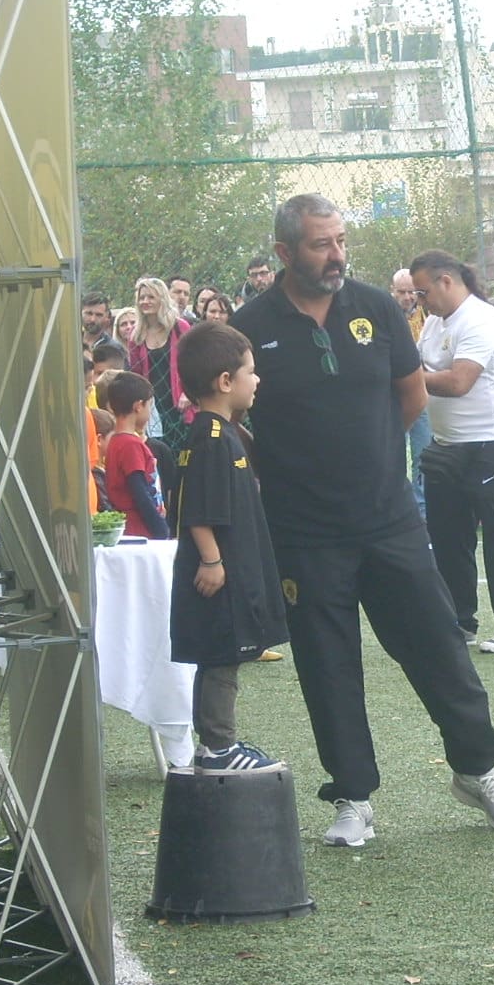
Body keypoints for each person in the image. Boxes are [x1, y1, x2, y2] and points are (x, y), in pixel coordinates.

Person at [231, 194, 494, 845]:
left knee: (438, 644)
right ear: (285, 252)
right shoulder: (248, 325)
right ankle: (353, 797)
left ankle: (478, 770)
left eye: (341, 240)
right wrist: (280, 469)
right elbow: (226, 415)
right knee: (328, 665)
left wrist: (367, 460)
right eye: (321, 244)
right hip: (303, 531)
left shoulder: (377, 308)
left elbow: (411, 394)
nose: (337, 254)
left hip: (388, 517)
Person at [167, 321, 283, 771]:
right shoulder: (212, 438)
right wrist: (212, 560)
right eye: (250, 371)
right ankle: (218, 747)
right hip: (219, 573)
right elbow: (197, 509)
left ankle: (214, 745)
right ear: (225, 381)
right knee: (221, 657)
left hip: (232, 567)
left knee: (221, 656)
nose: (258, 380)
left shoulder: (222, 431)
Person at [412, 249, 494, 655]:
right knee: (447, 537)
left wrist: (408, 378)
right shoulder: (434, 322)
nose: (420, 301)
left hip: (489, 444)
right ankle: (460, 621)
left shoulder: (480, 318)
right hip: (445, 444)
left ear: (446, 281)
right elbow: (419, 367)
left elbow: (459, 382)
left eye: (424, 292)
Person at [102, 371, 169, 540]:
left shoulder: (117, 441)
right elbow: (139, 491)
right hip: (140, 531)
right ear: (138, 406)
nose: (149, 412)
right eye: (149, 406)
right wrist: (161, 529)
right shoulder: (130, 445)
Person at [125, 276, 191, 444]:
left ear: (162, 299)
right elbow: (136, 374)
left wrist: (189, 393)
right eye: (141, 298)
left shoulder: (180, 327)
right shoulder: (136, 334)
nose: (145, 301)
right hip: (153, 406)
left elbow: (195, 364)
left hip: (180, 403)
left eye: (151, 297)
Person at [391, 268, 434, 511]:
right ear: (393, 292)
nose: (407, 297)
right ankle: (396, 502)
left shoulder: (427, 316)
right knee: (393, 450)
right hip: (393, 396)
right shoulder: (385, 317)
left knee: (423, 452)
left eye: (411, 292)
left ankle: (421, 506)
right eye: (402, 292)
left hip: (420, 393)